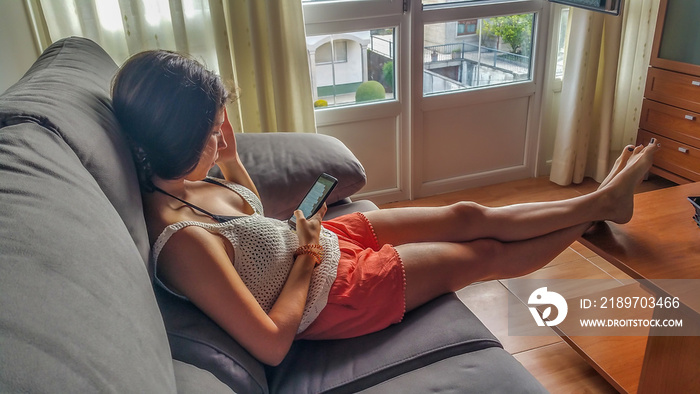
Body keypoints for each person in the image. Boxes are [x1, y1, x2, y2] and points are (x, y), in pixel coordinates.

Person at [111, 50, 659, 366]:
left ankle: (598, 202)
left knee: (467, 214)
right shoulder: (181, 244)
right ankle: (598, 209)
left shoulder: (179, 179)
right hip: (333, 295)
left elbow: (248, 218)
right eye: (212, 129)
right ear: (175, 136)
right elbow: (272, 343)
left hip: (324, 241)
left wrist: (229, 161)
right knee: (482, 253)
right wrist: (303, 257)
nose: (222, 134)